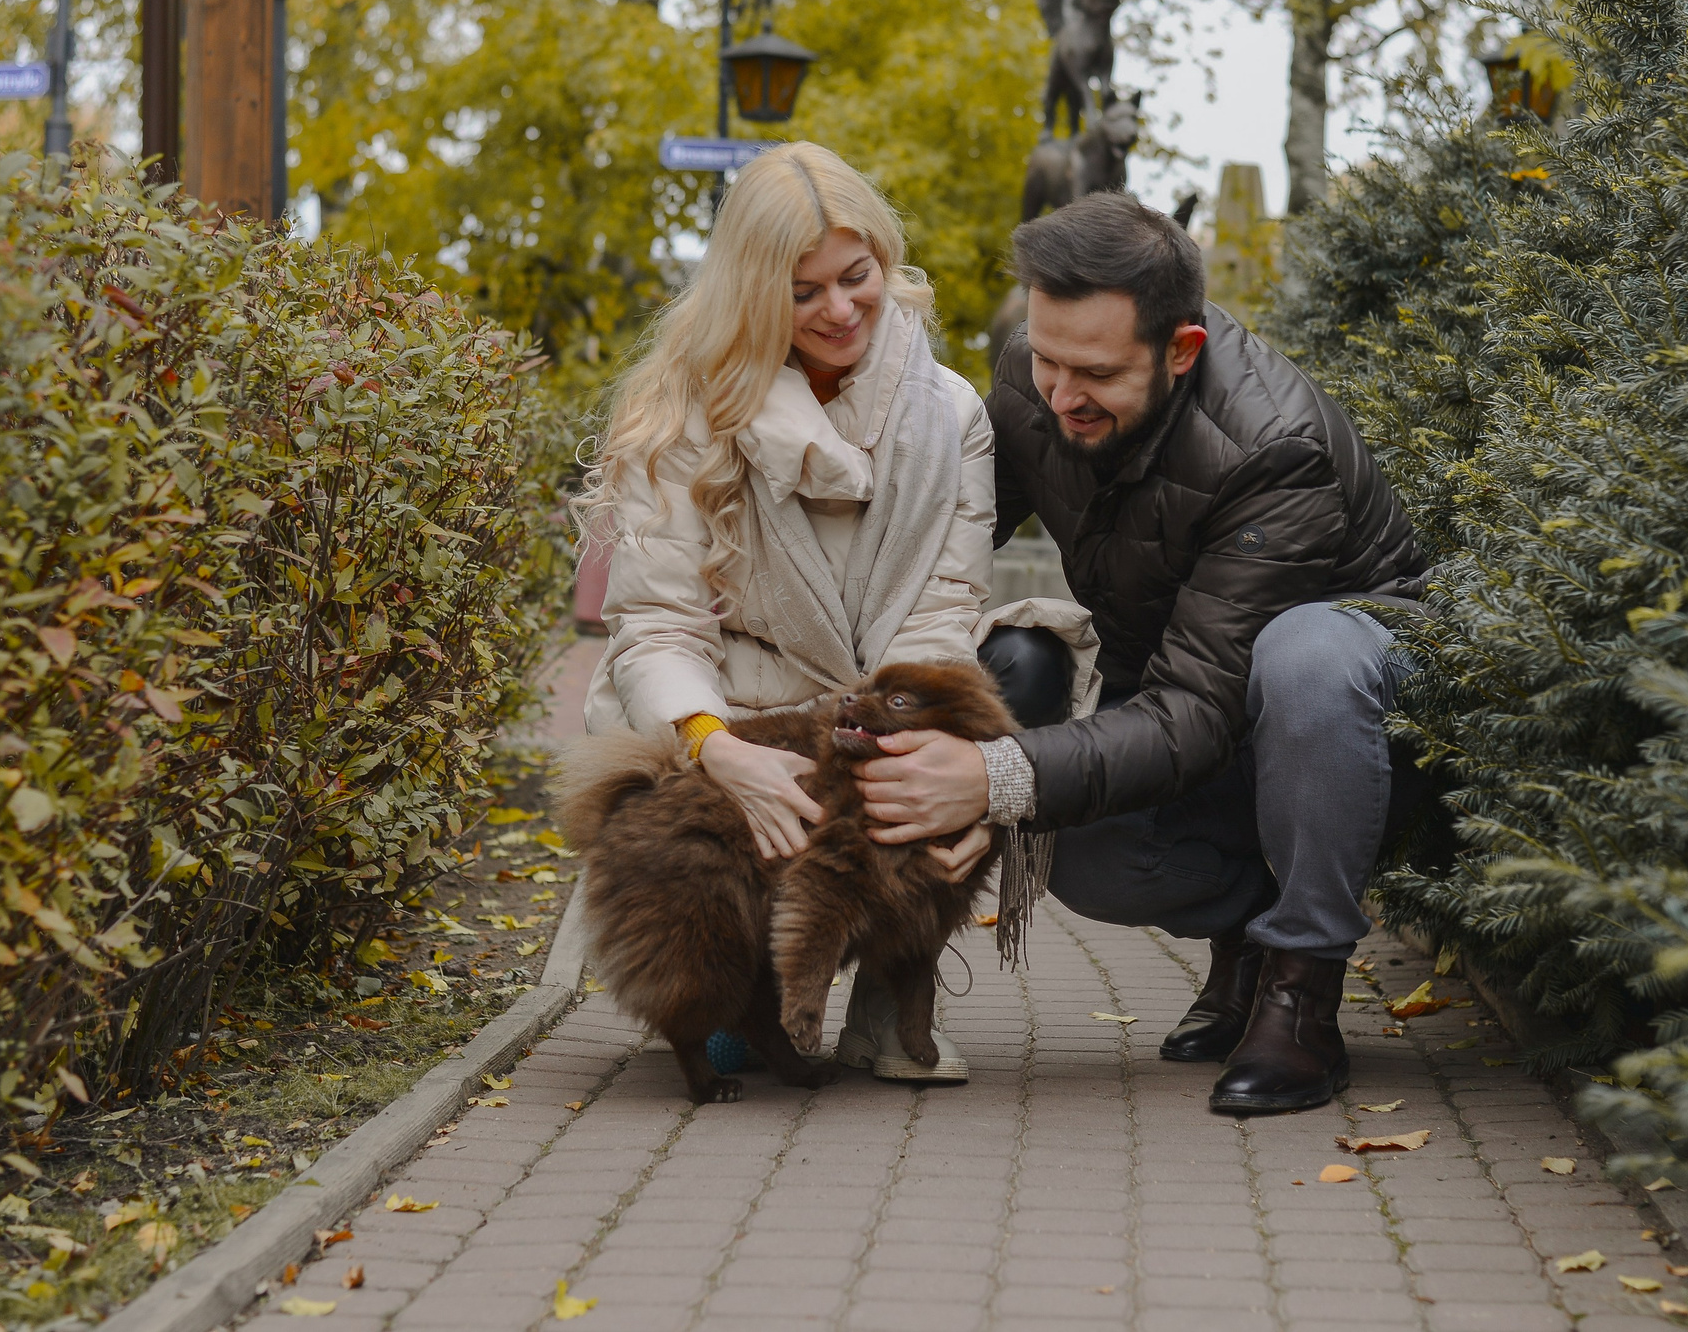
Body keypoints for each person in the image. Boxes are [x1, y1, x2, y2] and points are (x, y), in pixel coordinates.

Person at [855, 192, 1429, 1116]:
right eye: (1044, 357)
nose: (1058, 393)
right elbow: (934, 547)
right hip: (1188, 685)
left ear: (1181, 350)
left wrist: (991, 777)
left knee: (1307, 651)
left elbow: (1202, 711)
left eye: (1094, 372)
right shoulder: (1036, 377)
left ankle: (1303, 985)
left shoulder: (1277, 451)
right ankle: (1249, 933)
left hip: (1344, 737)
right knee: (1071, 842)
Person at [577, 142, 997, 1083]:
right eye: (805, 292)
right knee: (725, 1015)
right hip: (738, 703)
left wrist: (909, 749)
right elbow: (657, 625)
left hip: (872, 710)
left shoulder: (950, 414)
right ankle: (736, 980)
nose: (841, 309)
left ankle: (890, 1002)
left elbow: (947, 605)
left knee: (995, 714)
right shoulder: (680, 412)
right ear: (757, 292)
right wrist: (716, 748)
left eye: (859, 277)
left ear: (885, 261)